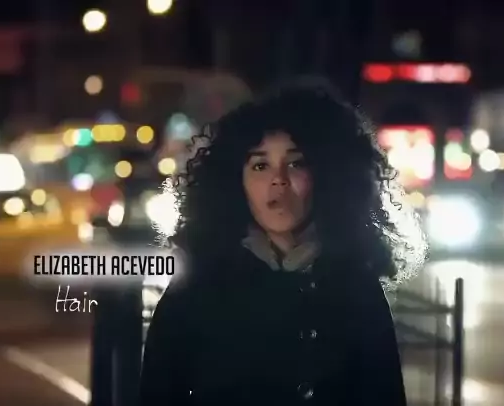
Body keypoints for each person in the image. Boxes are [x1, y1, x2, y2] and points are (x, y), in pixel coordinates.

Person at [140, 81, 428, 405]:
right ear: (235, 181)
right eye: (260, 165)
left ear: (327, 175)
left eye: (295, 163)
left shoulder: (356, 287)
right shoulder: (197, 287)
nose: (278, 179)